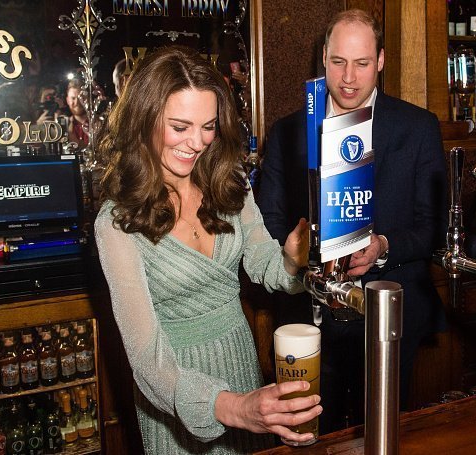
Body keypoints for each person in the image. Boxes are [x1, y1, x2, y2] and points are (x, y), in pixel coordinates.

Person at [94, 45, 322, 454]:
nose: (196, 143)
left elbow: (263, 263)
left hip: (240, 362)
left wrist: (291, 257)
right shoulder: (117, 222)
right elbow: (147, 358)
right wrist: (232, 407)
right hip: (175, 391)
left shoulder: (228, 181)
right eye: (179, 127)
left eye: (208, 126)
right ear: (145, 119)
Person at [257, 9, 448, 432]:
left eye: (362, 63)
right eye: (338, 62)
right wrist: (297, 252)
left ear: (380, 60)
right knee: (308, 436)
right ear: (323, 58)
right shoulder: (288, 132)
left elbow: (433, 225)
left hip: (386, 320)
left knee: (379, 434)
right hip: (307, 323)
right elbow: (266, 224)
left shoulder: (417, 127)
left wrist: (382, 246)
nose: (348, 77)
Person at [65, 78, 89, 149]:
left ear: (89, 99)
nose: (77, 102)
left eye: (81, 98)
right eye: (73, 98)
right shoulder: (63, 127)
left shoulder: (100, 124)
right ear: (67, 100)